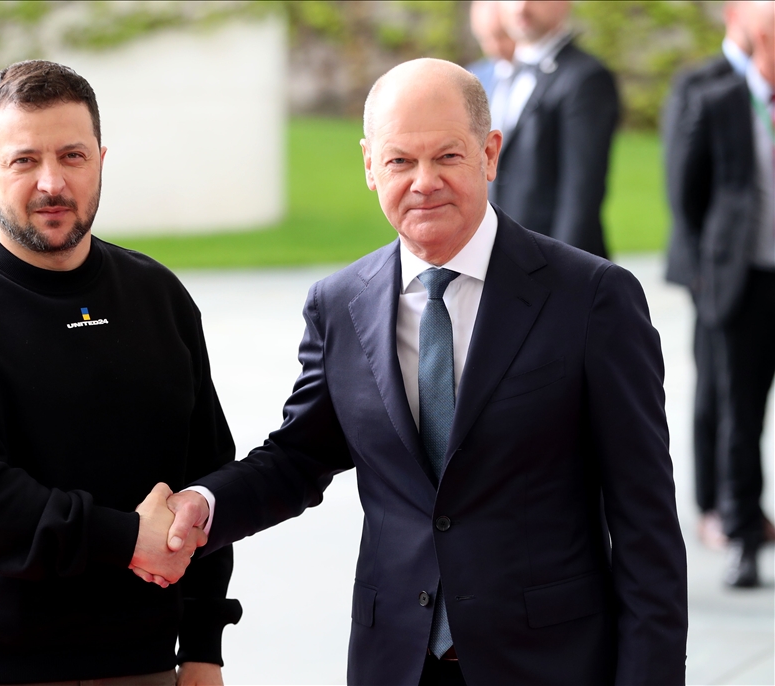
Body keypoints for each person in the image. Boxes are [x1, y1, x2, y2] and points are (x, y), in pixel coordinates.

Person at [137, 59, 688, 685]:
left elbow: (646, 525)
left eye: (447, 157)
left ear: (489, 153)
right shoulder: (339, 304)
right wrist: (202, 505)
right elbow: (298, 457)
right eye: (401, 161)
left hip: (550, 662)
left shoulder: (591, 298)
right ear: (370, 165)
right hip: (395, 661)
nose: (424, 183)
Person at [0, 60, 241, 685]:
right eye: (24, 160)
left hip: (145, 666)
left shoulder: (158, 296)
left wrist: (203, 649)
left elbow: (205, 481)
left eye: (72, 155)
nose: (52, 182)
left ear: (100, 159)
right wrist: (127, 538)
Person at [664, 0, 775, 588]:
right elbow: (687, 196)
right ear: (759, 39)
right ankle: (742, 536)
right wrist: (708, 271)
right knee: (739, 414)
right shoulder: (717, 99)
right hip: (745, 283)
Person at [488, 0, 618, 259]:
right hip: (502, 255)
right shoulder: (500, 73)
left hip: (549, 262)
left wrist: (560, 273)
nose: (521, 7)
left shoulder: (586, 78)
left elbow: (581, 192)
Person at [466, 1, 516, 95]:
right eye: (485, 39)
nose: (495, 47)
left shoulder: (542, 73)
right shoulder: (473, 79)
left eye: (502, 36)